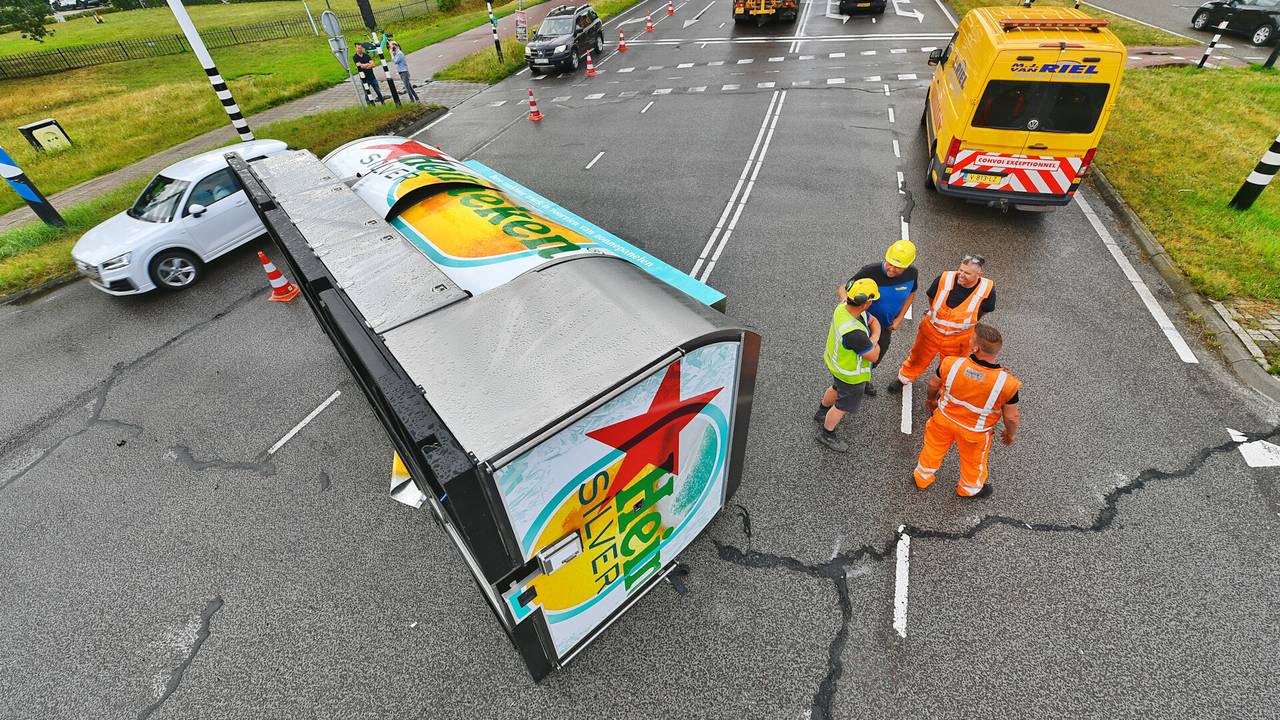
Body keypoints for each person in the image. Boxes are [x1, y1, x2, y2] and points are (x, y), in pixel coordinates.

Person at [913, 323, 1020, 497]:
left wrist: (931, 400)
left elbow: (933, 384)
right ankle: (969, 489)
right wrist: (1010, 434)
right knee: (973, 461)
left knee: (932, 449)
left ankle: (922, 477)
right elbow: (1012, 417)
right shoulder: (1007, 384)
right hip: (975, 432)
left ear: (975, 348)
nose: (969, 339)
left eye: (971, 338)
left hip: (943, 420)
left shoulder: (951, 364)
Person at [889, 254, 995, 393]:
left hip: (959, 338)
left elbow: (986, 309)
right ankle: (904, 378)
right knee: (917, 356)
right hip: (931, 329)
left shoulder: (987, 288)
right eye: (961, 270)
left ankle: (942, 390)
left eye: (967, 273)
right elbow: (931, 296)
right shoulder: (945, 278)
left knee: (951, 367)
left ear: (979, 274)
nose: (961, 275)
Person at [814, 278, 882, 453]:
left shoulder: (843, 307)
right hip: (851, 375)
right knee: (843, 405)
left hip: (838, 366)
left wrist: (873, 331)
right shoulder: (855, 334)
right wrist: (875, 337)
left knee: (836, 388)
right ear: (866, 303)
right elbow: (874, 355)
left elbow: (842, 289)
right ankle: (826, 433)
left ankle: (822, 411)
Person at [844, 239, 918, 397]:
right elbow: (844, 290)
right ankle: (845, 386)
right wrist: (849, 313)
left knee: (876, 356)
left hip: (885, 326)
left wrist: (899, 319)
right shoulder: (870, 271)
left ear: (907, 265)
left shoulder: (912, 274)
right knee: (854, 357)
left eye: (898, 267)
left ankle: (863, 380)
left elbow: (911, 294)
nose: (891, 269)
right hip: (862, 324)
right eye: (889, 263)